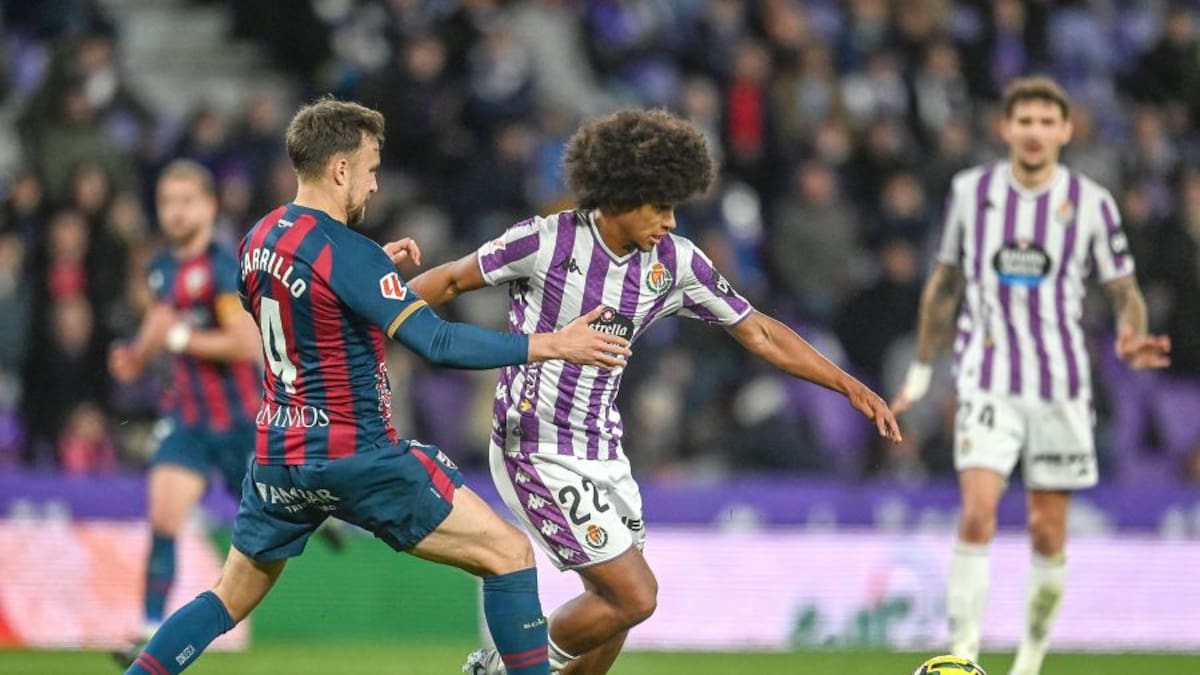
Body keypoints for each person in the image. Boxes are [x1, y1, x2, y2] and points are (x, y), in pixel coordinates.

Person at [122, 97, 631, 675]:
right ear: (340, 169)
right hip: (357, 455)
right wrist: (552, 343)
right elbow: (437, 343)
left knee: (227, 597)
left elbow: (296, 309)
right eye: (370, 168)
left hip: (280, 458)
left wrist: (372, 278)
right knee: (509, 554)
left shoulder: (258, 238)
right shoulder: (347, 253)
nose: (374, 183)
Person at [400, 108, 902, 675]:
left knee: (618, 613)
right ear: (618, 194)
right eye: (659, 205)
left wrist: (847, 384)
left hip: (604, 449)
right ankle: (493, 669)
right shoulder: (545, 242)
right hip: (534, 443)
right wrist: (374, 319)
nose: (669, 220)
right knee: (633, 595)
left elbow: (758, 330)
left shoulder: (677, 262)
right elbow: (445, 280)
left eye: (675, 206)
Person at [890, 76, 1171, 675]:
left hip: (1061, 384)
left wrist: (1131, 333)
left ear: (1066, 131)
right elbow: (944, 285)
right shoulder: (972, 193)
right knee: (978, 511)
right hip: (986, 376)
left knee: (1047, 530)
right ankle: (962, 657)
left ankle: (1030, 661)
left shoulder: (1092, 203)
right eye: (1026, 120)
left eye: (1048, 121)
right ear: (1006, 128)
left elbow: (1123, 288)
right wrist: (920, 369)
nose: (1036, 131)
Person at [108, 160, 347, 668]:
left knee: (287, 501)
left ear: (209, 206)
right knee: (164, 517)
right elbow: (160, 317)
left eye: (185, 201)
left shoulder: (221, 268)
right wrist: (138, 355)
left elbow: (244, 345)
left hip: (242, 422)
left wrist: (175, 339)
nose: (174, 212)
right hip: (188, 422)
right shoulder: (163, 269)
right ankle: (149, 629)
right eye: (166, 202)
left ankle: (318, 508)